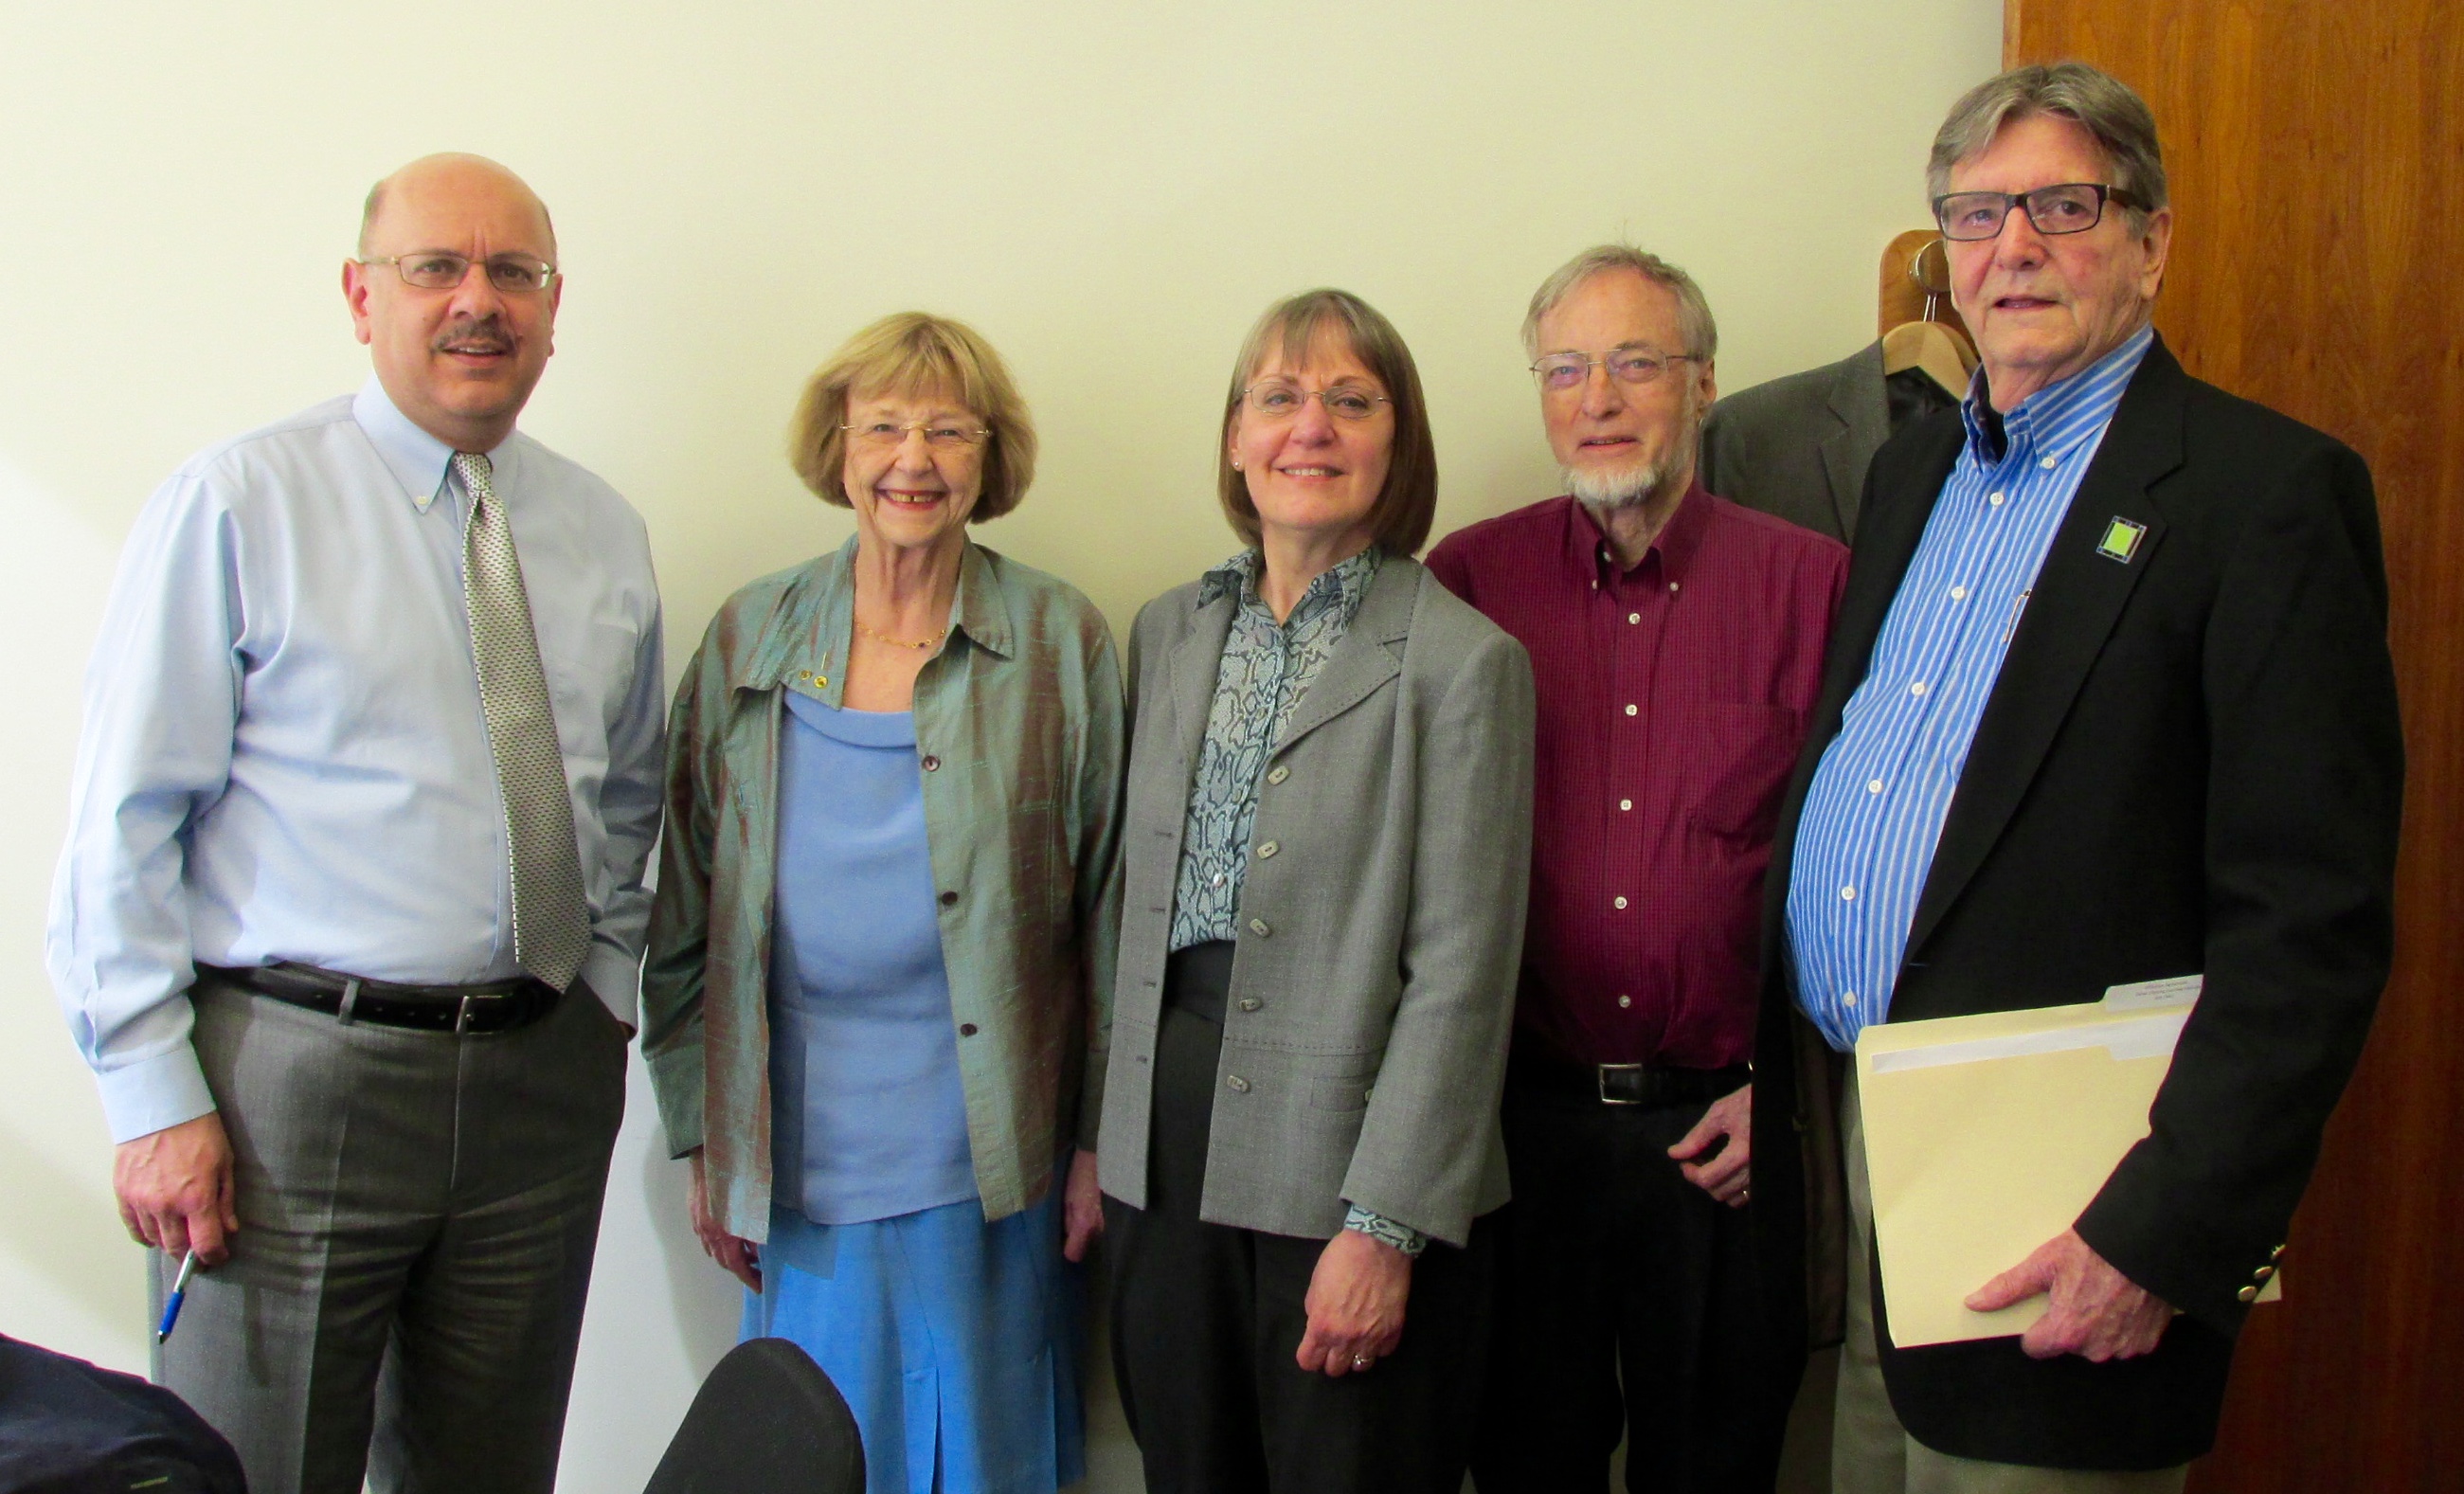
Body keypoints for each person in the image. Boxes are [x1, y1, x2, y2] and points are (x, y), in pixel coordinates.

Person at [1753, 62, 2403, 1492]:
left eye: (2063, 204)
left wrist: (2165, 1236)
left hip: (2073, 1225)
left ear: (2152, 238)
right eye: (1975, 216)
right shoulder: (1912, 477)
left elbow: (2311, 929)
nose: (2014, 248)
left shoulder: (2261, 497)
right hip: (1875, 1178)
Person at [46, 153, 664, 1494]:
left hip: (538, 1089)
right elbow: (122, 823)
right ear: (360, 294)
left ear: (555, 309)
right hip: (292, 1092)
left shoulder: (603, 532)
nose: (477, 300)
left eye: (515, 272)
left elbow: (625, 800)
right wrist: (152, 1094)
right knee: (252, 1473)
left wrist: (601, 1004)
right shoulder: (239, 504)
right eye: (436, 266)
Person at [641, 311, 1122, 1494]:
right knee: (815, 1448)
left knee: (985, 1457)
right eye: (886, 426)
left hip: (992, 1159)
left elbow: (1113, 914)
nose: (915, 457)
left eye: (948, 430)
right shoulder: (752, 633)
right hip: (799, 1161)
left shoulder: (1059, 639)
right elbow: (685, 912)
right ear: (840, 448)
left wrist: (1101, 1139)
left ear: (987, 457)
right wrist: (704, 1133)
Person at [1092, 288, 1536, 1494]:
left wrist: (1384, 1226)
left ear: (1400, 442)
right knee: (1188, 1464)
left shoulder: (1463, 661)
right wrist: (1100, 1142)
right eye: (1279, 398)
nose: (1312, 428)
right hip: (1162, 1143)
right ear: (1236, 436)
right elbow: (1124, 908)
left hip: (1347, 1150)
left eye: (1351, 400)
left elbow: (1463, 973)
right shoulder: (1168, 631)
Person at [1428, 245, 1847, 1492]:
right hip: (1520, 1141)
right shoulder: (1466, 583)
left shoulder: (1812, 586)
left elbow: (1857, 865)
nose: (1597, 397)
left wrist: (1784, 1089)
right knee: (1524, 1466)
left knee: (1713, 1472)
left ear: (1703, 382)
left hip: (1722, 1146)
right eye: (1565, 369)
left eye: (1633, 363)